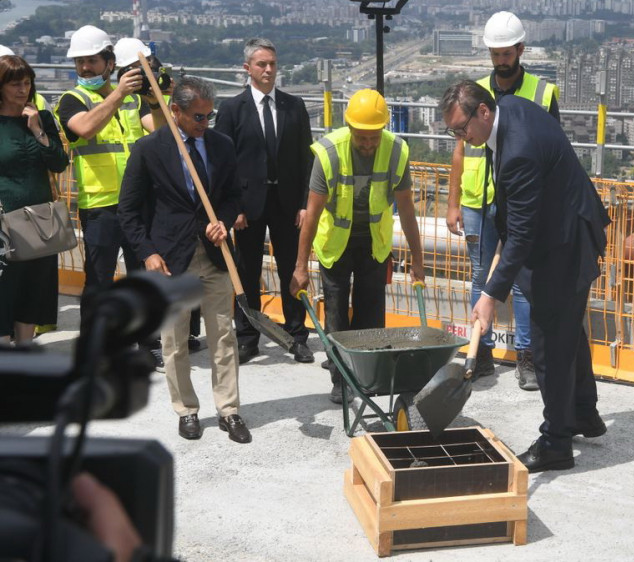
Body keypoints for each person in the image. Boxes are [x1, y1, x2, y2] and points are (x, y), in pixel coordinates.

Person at [439, 80, 610, 473]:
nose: (461, 139)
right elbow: (515, 221)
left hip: (563, 246)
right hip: (564, 230)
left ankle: (556, 441)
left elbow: (520, 235)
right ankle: (584, 413)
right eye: (454, 133)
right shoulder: (511, 107)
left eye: (462, 129)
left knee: (550, 343)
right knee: (568, 332)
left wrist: (488, 294)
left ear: (483, 112)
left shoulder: (518, 152)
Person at [118, 76, 251, 444]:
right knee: (174, 341)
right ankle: (187, 410)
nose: (204, 124)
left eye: (209, 116)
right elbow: (128, 211)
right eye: (198, 117)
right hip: (170, 259)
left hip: (214, 256)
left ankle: (229, 410)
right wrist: (148, 252)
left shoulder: (221, 145)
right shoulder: (149, 149)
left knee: (223, 336)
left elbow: (233, 196)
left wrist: (222, 221)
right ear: (174, 111)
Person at [446, 11, 559, 389]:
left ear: (520, 49)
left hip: (522, 201)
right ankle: (483, 354)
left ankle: (527, 356)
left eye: (506, 53)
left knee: (523, 279)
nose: (500, 61)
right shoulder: (474, 92)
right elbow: (460, 151)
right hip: (480, 199)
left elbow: (552, 148)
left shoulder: (542, 93)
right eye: (495, 54)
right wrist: (453, 201)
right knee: (481, 275)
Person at [290, 89, 424, 403]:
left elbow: (406, 209)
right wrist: (300, 267)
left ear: (383, 130)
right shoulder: (329, 154)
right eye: (361, 137)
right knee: (336, 315)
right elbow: (311, 214)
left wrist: (417, 260)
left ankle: (366, 376)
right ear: (349, 128)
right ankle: (341, 380)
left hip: (374, 244)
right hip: (336, 244)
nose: (367, 144)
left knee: (372, 316)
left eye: (373, 137)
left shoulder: (395, 152)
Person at [215, 38, 314, 365]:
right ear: (248, 69)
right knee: (246, 272)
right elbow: (223, 162)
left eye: (272, 63)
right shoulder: (232, 109)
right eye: (262, 64)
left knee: (292, 268)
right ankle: (247, 337)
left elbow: (305, 158)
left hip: (287, 203)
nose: (269, 70)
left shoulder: (293, 106)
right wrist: (233, 209)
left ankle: (297, 335)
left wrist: (304, 203)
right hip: (247, 206)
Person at [55, 25, 164, 321]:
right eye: (80, 62)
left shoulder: (134, 99)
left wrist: (154, 96)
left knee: (143, 277)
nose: (85, 68)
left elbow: (163, 133)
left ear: (110, 63)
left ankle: (148, 344)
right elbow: (85, 128)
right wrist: (117, 93)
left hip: (137, 203)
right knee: (99, 282)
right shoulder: (72, 100)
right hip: (100, 207)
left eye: (92, 60)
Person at [112, 36, 204, 359]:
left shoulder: (154, 98)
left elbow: (168, 130)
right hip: (134, 192)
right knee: (145, 265)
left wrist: (163, 90)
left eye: (146, 68)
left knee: (179, 262)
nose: (143, 75)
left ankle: (188, 329)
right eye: (136, 70)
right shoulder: (119, 100)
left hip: (164, 192)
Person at [0, 55, 69, 345]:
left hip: (40, 220)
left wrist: (37, 129)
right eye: (15, 84)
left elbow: (58, 163)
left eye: (27, 83)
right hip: (5, 221)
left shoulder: (42, 118)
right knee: (4, 291)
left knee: (33, 289)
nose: (23, 90)